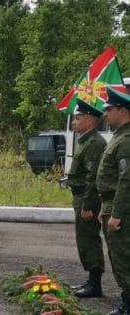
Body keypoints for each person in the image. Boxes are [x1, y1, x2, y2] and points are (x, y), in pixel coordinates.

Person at [67, 99, 106, 298]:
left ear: (90, 120)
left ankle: (95, 284)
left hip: (86, 198)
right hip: (81, 196)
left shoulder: (94, 143)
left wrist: (88, 205)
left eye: (78, 118)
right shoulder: (86, 140)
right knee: (84, 239)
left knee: (89, 239)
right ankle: (91, 280)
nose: (74, 123)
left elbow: (92, 178)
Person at [97, 87, 130, 315]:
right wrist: (104, 207)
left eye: (109, 109)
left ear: (123, 110)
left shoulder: (127, 140)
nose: (105, 114)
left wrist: (116, 213)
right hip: (111, 205)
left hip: (123, 211)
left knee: (123, 258)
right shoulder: (119, 137)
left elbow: (127, 181)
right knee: (117, 258)